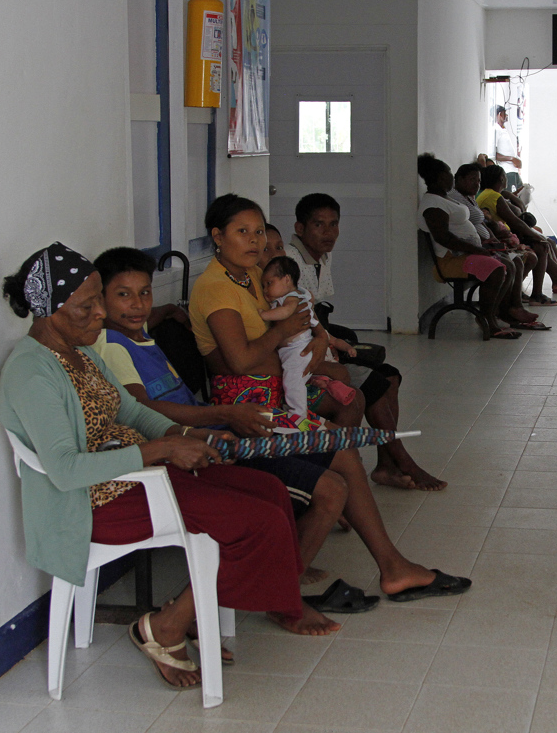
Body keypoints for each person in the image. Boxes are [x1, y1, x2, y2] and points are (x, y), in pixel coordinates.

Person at [0, 243, 338, 693]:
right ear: (48, 312)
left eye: (100, 298)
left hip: (140, 474)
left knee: (268, 493)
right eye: (88, 304)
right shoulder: (31, 372)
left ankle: (192, 613)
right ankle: (165, 627)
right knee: (257, 522)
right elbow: (65, 471)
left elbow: (133, 414)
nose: (100, 313)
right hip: (93, 502)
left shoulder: (80, 352)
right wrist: (161, 451)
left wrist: (192, 437)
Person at [190, 195, 471, 601]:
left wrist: (316, 336)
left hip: (273, 398)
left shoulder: (249, 275)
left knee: (345, 448)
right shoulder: (216, 288)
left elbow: (292, 322)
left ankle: (387, 567)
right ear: (217, 237)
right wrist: (286, 334)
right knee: (342, 455)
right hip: (248, 413)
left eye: (257, 231)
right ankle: (296, 585)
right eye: (241, 232)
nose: (253, 241)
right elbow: (239, 360)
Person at [286, 193, 448, 491]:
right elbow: (298, 323)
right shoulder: (290, 262)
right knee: (374, 383)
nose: (328, 233)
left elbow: (318, 311)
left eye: (334, 224)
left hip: (323, 342)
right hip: (304, 354)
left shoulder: (322, 256)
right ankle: (403, 461)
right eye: (319, 225)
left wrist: (336, 341)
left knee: (391, 376)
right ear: (299, 228)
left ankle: (385, 466)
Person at [418, 153, 521, 340]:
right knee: (497, 268)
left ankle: (493, 315)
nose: (452, 177)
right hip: (451, 261)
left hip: (464, 256)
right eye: (449, 173)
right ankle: (488, 320)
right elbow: (444, 238)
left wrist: (482, 245)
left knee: (505, 265)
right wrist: (477, 249)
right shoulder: (432, 205)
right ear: (441, 177)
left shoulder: (444, 199)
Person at [477, 165, 557, 303]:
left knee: (548, 242)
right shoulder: (494, 196)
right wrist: (537, 236)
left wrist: (509, 196)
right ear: (501, 178)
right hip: (502, 240)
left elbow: (520, 215)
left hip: (504, 236)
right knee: (541, 245)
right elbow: (518, 220)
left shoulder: (490, 195)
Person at [260, 254, 357, 426]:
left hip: (297, 349)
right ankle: (324, 384)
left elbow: (286, 313)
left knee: (293, 380)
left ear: (287, 280)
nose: (266, 290)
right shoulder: (295, 296)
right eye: (263, 285)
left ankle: (298, 414)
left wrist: (263, 314)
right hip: (296, 349)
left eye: (269, 284)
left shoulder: (290, 299)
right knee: (302, 377)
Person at [448, 162, 546, 330]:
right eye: (472, 179)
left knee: (515, 261)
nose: (476, 184)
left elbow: (483, 223)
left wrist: (494, 239)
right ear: (458, 179)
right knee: (508, 263)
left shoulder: (469, 198)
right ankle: (495, 313)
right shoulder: (455, 199)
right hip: (468, 252)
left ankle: (511, 307)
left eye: (478, 180)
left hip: (484, 245)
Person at [492, 106, 525, 191]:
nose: (506, 115)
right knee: (512, 196)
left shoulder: (503, 129)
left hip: (513, 170)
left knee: (523, 193)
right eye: (504, 113)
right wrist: (511, 159)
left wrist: (517, 160)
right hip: (507, 171)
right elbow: (494, 154)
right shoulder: (496, 130)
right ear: (499, 114)